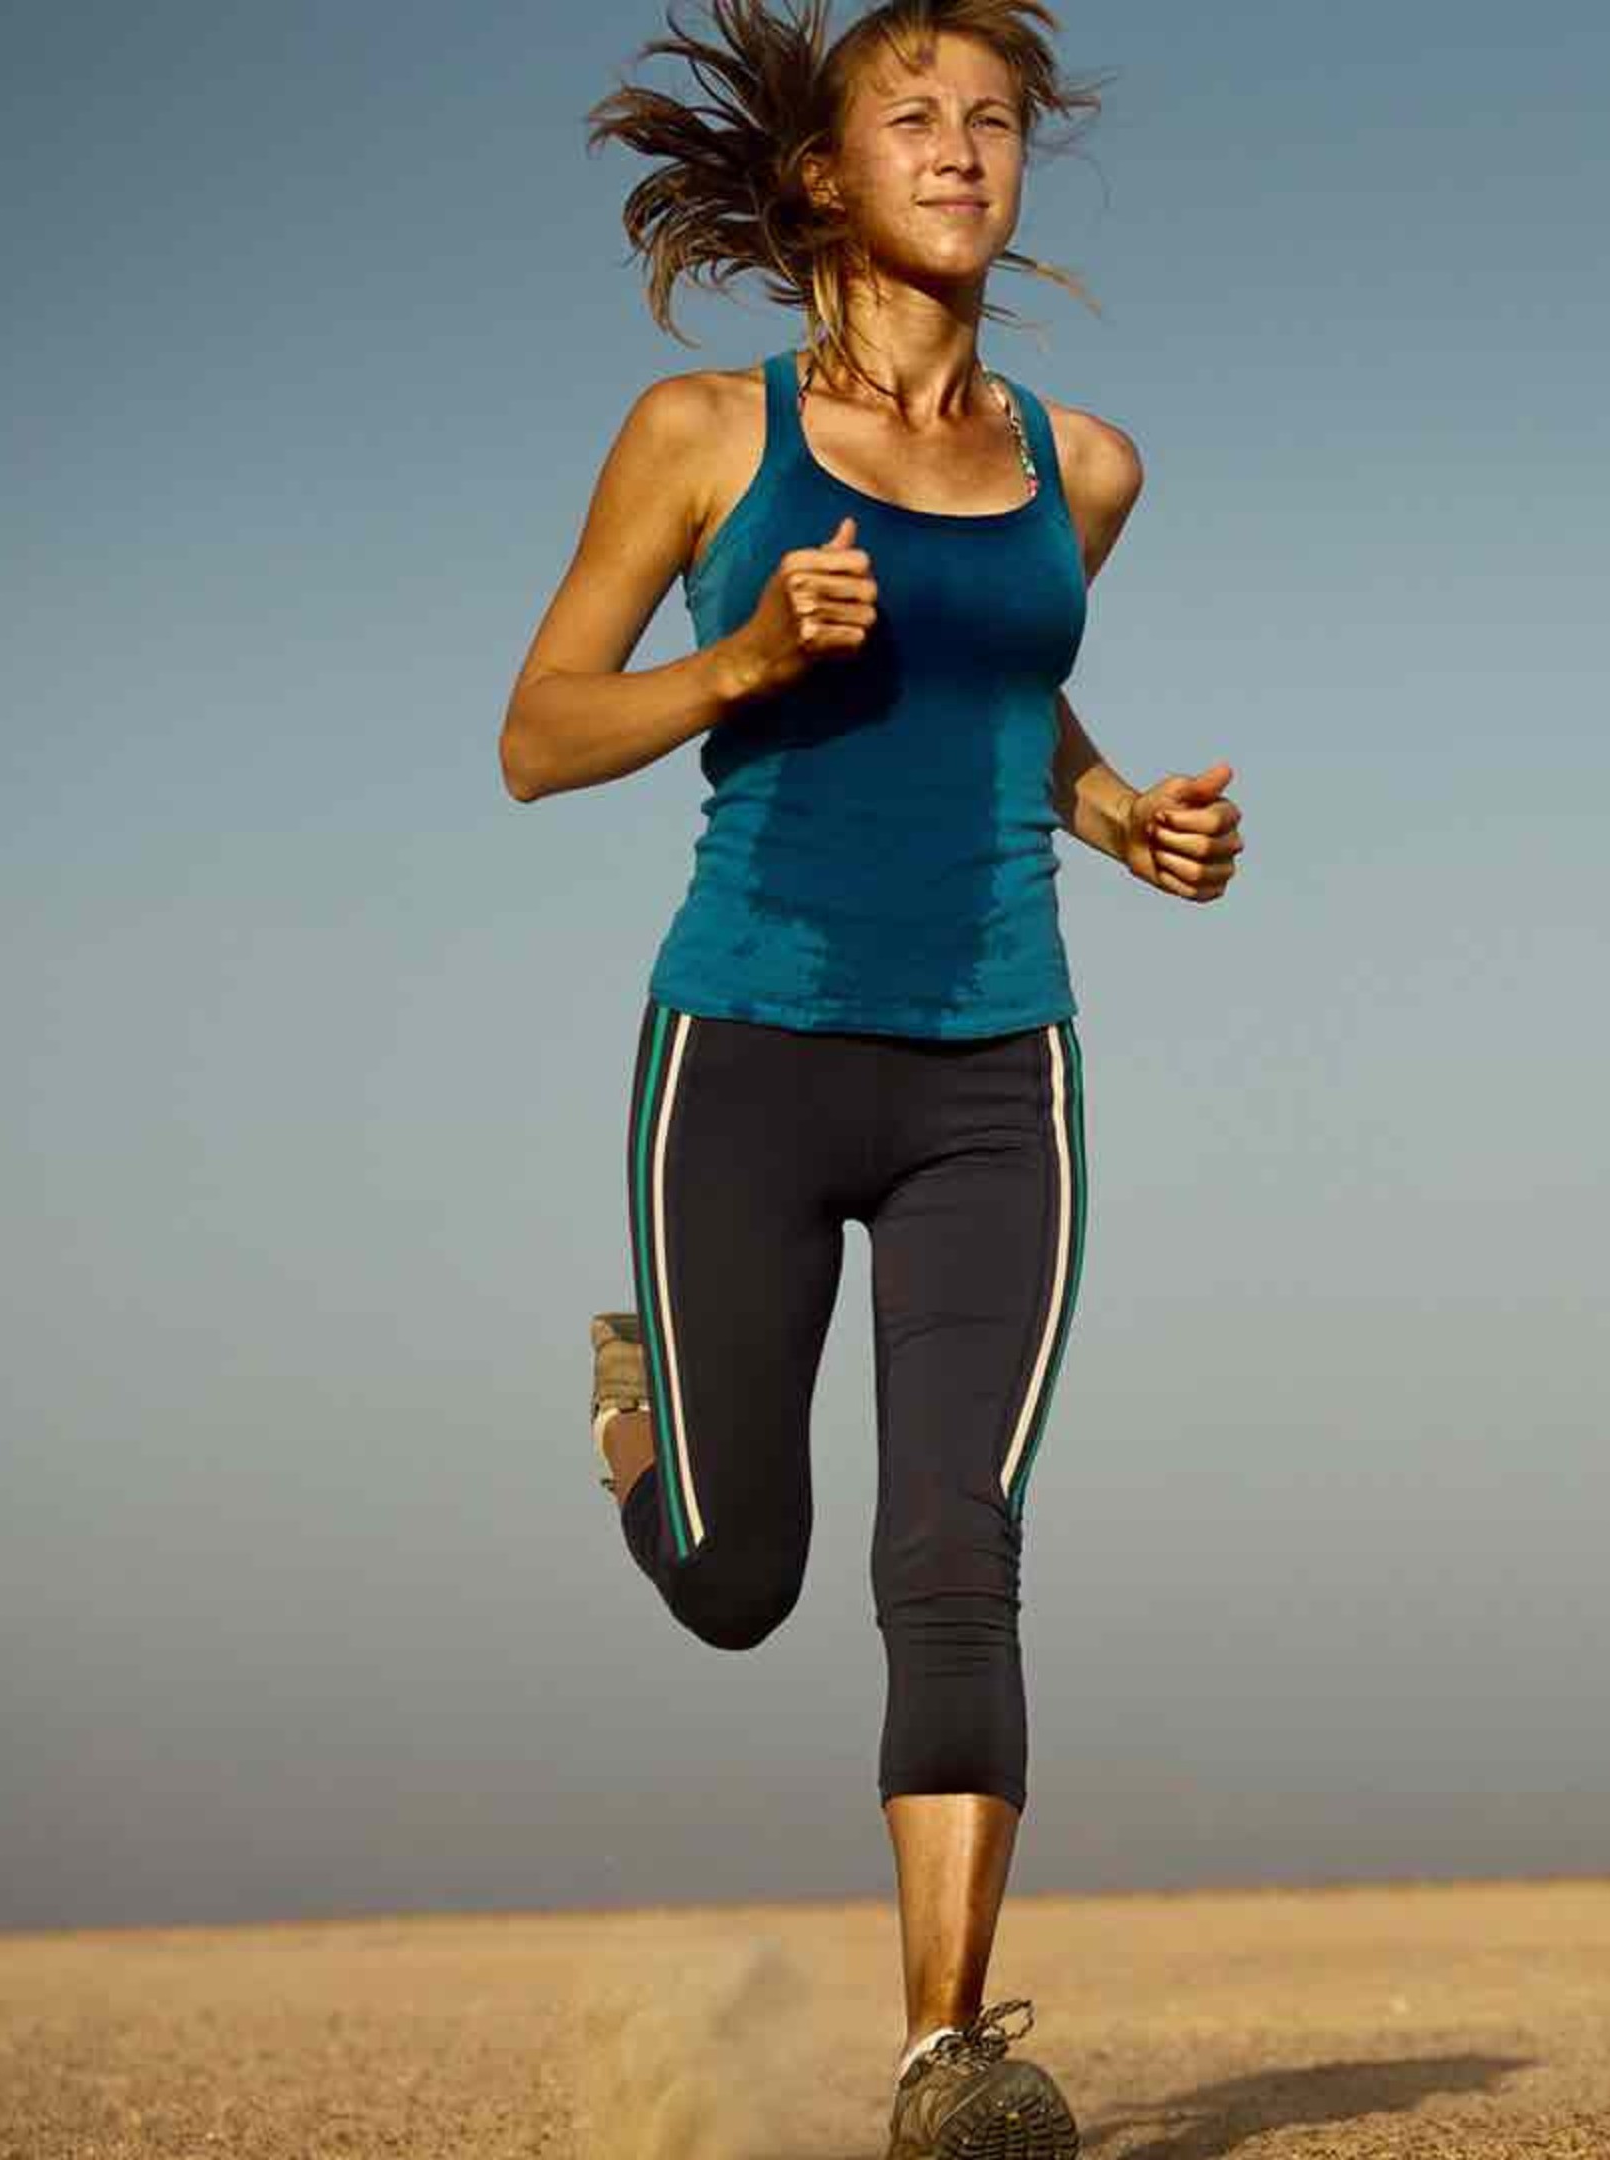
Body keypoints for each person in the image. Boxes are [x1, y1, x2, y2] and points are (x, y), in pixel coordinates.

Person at [501, 3, 1239, 2149]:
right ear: (821, 175)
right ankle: (647, 1417)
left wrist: (1132, 826)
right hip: (743, 1039)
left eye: (995, 117)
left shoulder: (1081, 468)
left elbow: (1004, 714)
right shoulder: (697, 438)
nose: (962, 145)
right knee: (741, 1582)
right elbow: (539, 733)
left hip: (998, 1071)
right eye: (913, 114)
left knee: (958, 1547)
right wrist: (740, 657)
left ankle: (947, 2057)